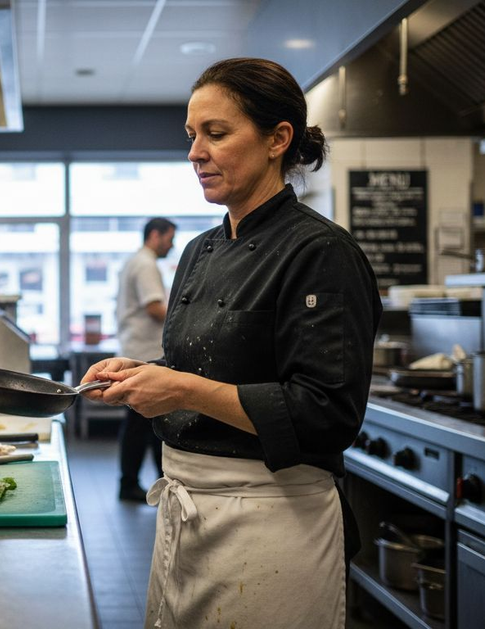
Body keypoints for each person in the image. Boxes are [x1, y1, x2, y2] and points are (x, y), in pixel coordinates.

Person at [81, 57, 381, 629]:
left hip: (273, 521)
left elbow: (327, 414)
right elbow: (206, 362)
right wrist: (146, 373)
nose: (195, 152)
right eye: (192, 136)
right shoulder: (197, 251)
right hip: (188, 513)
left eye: (216, 134)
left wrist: (184, 388)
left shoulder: (320, 253)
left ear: (278, 139)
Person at [114, 217, 175, 501]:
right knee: (144, 424)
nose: (172, 244)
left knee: (144, 424)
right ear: (155, 235)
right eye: (169, 238)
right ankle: (132, 484)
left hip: (137, 349)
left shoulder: (135, 261)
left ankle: (144, 481)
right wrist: (184, 319)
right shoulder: (146, 263)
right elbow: (154, 307)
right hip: (144, 353)